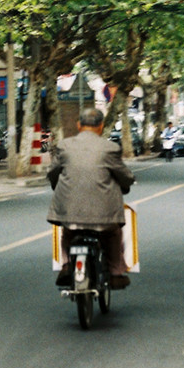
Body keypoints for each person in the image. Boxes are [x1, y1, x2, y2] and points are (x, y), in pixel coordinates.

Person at [48, 107, 135, 290]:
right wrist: (126, 183)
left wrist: (56, 185)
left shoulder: (64, 146)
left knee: (68, 233)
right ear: (101, 126)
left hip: (69, 211)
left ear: (79, 125)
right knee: (113, 234)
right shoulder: (110, 148)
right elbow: (124, 176)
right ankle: (115, 273)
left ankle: (66, 264)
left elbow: (53, 173)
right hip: (104, 215)